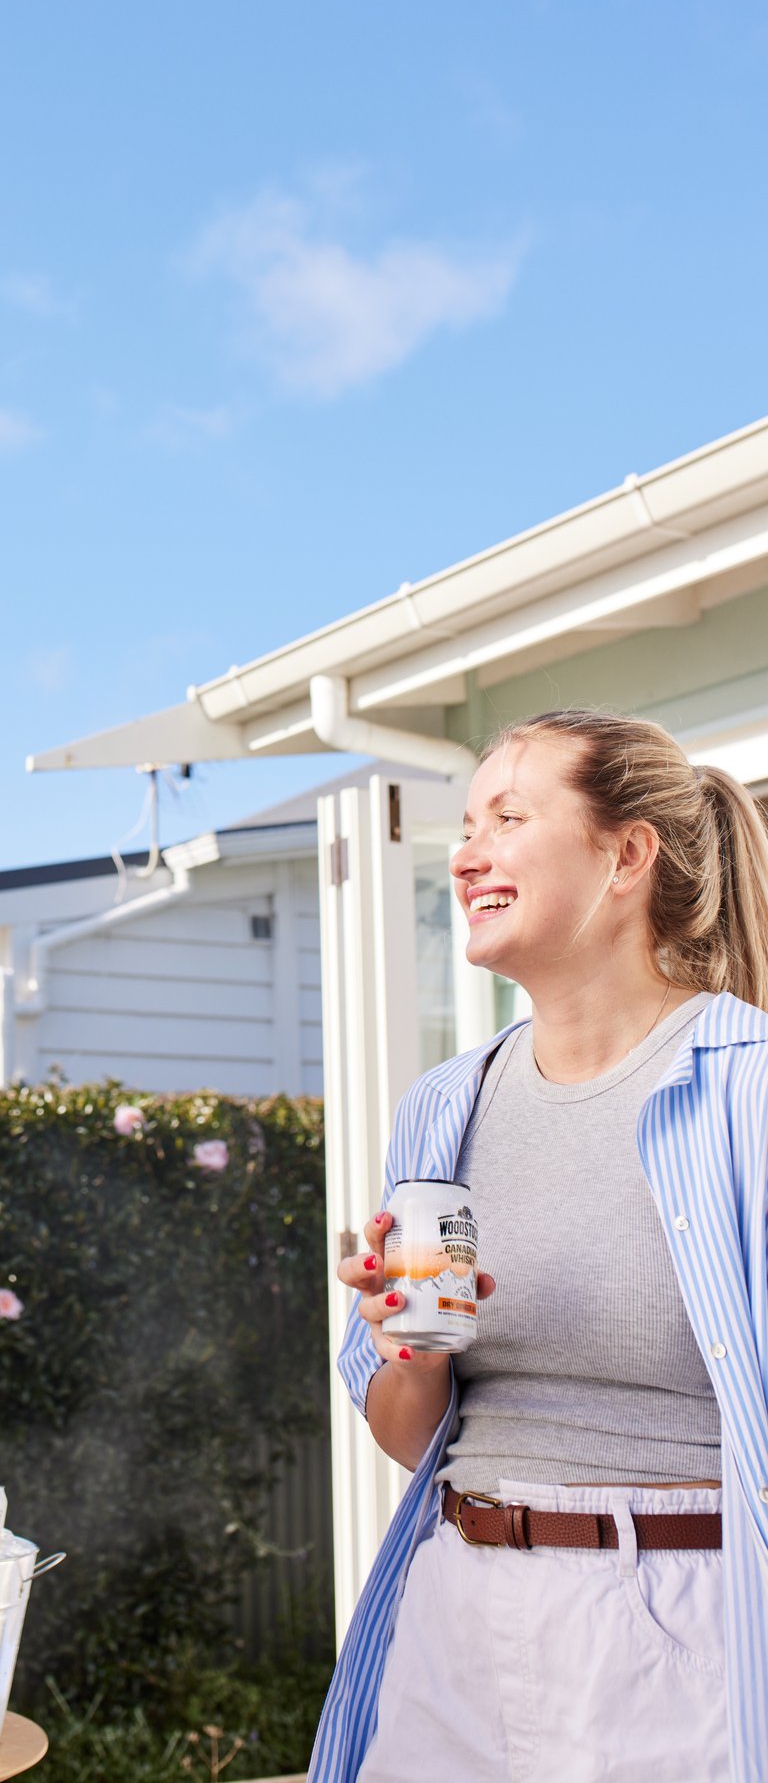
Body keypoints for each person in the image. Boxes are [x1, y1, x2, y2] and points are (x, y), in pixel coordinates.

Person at [310, 710, 768, 1783]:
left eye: (509, 817)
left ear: (626, 854)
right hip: (454, 1617)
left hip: (678, 1634)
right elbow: (406, 1436)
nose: (467, 853)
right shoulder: (446, 1105)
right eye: (466, 824)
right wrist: (407, 1348)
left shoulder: (748, 1088)